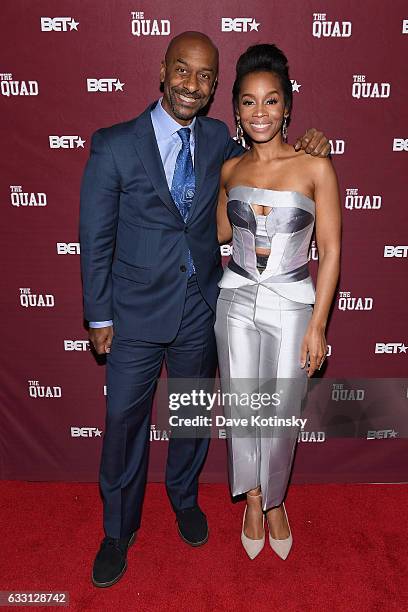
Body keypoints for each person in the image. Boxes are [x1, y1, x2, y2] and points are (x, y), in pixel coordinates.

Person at [79, 31, 330, 587]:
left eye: (206, 77)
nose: (193, 85)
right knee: (124, 423)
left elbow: (267, 163)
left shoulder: (219, 137)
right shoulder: (115, 143)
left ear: (217, 88)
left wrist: (316, 144)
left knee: (191, 417)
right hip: (135, 314)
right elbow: (94, 237)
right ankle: (118, 530)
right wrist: (98, 317)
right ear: (162, 71)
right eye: (183, 71)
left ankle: (185, 499)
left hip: (201, 307)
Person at [215, 43, 341, 560]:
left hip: (293, 301)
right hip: (235, 300)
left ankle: (275, 502)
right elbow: (220, 231)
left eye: (271, 101)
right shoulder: (229, 171)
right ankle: (251, 498)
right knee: (243, 406)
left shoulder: (315, 166)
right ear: (237, 111)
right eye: (248, 102)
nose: (260, 112)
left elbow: (331, 250)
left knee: (282, 411)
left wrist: (318, 325)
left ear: (287, 106)